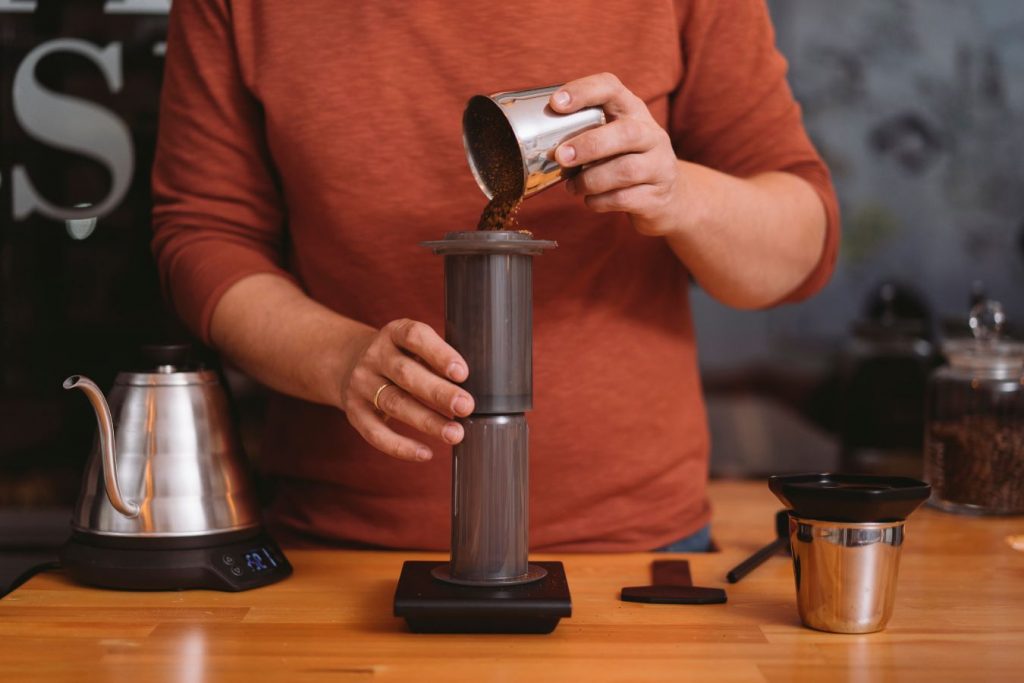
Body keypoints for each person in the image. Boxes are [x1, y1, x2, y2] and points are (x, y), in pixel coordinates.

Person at [152, 1, 839, 552]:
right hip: (345, 543)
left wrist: (677, 193)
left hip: (630, 547)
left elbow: (796, 251)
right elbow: (206, 237)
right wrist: (339, 359)